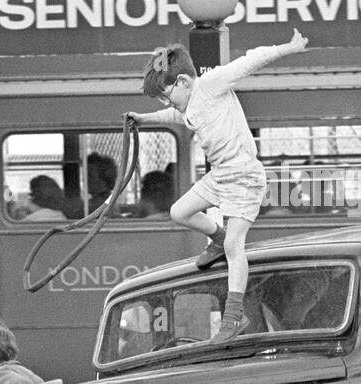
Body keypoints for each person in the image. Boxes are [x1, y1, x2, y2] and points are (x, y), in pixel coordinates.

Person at [126, 29, 310, 342]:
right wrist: (144, 118)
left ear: (183, 82)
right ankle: (217, 235)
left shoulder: (211, 85)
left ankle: (234, 317)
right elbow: (175, 114)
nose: (166, 101)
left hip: (244, 176)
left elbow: (251, 61)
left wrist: (288, 47)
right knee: (179, 212)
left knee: (234, 247)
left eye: (166, 94)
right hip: (221, 175)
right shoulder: (187, 105)